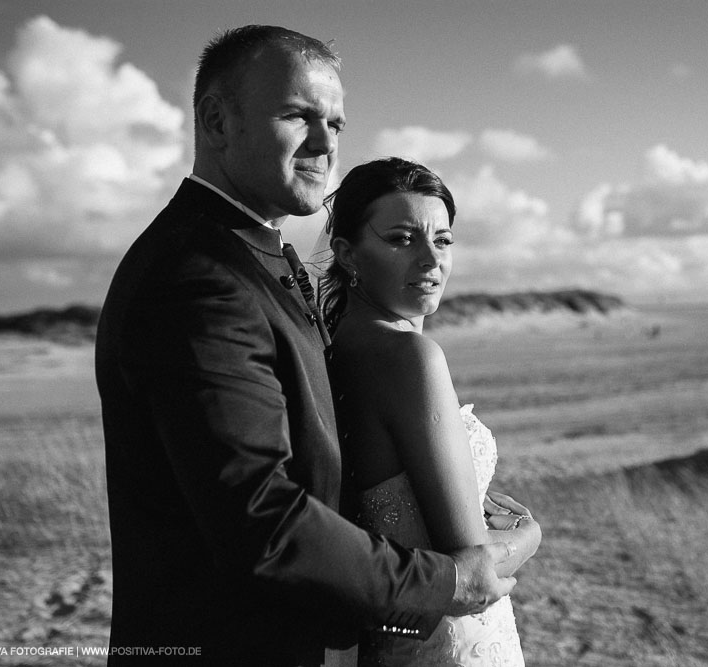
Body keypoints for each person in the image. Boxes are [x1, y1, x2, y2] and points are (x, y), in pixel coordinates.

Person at [95, 26, 519, 667]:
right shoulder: (198, 278)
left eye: (337, 124)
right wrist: (450, 580)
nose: (325, 145)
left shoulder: (257, 255)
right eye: (298, 115)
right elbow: (262, 518)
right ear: (216, 121)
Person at [318, 157, 542, 666]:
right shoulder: (409, 357)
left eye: (442, 240)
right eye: (402, 239)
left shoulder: (337, 351)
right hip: (456, 638)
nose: (430, 260)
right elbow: (472, 560)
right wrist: (529, 534)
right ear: (347, 254)